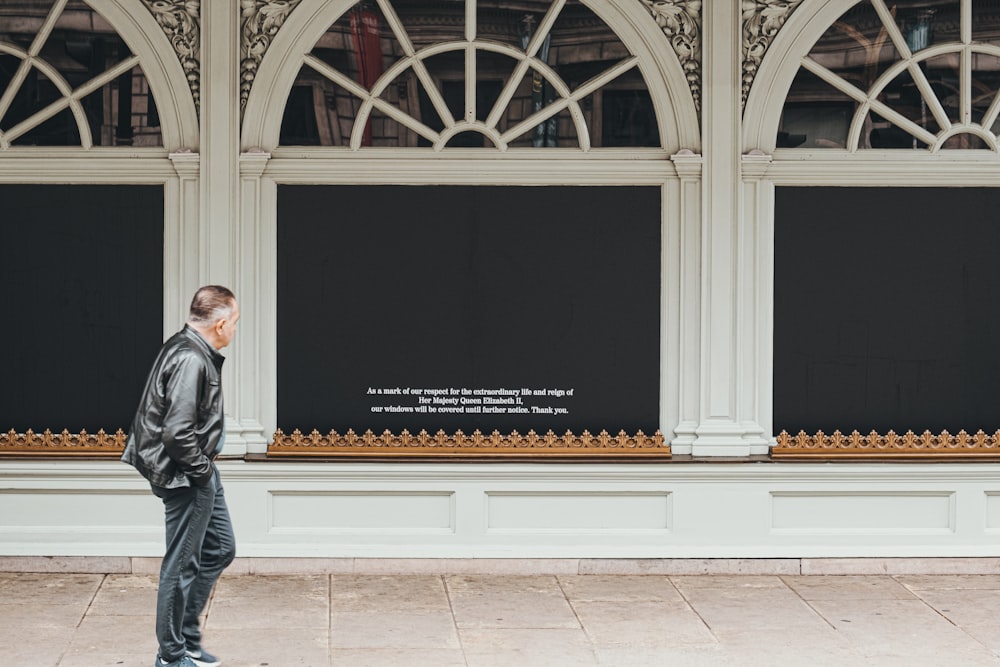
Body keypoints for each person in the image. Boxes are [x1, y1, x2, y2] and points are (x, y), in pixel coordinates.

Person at [122, 285, 240, 667]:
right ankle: (172, 657)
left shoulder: (187, 347)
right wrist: (203, 473)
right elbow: (176, 432)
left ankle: (186, 639)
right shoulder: (191, 358)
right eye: (235, 322)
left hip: (195, 469)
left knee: (220, 548)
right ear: (220, 324)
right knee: (182, 563)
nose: (235, 330)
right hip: (186, 475)